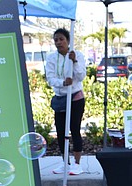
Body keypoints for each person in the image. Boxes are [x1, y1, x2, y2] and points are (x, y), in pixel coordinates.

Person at [44, 28, 86, 176]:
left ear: (68, 40)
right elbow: (50, 79)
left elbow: (81, 76)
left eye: (61, 39)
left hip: (75, 97)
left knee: (75, 129)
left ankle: (77, 163)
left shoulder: (77, 55)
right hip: (61, 98)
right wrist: (63, 82)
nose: (58, 42)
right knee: (61, 131)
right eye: (56, 40)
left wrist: (74, 61)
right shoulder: (51, 58)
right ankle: (65, 163)